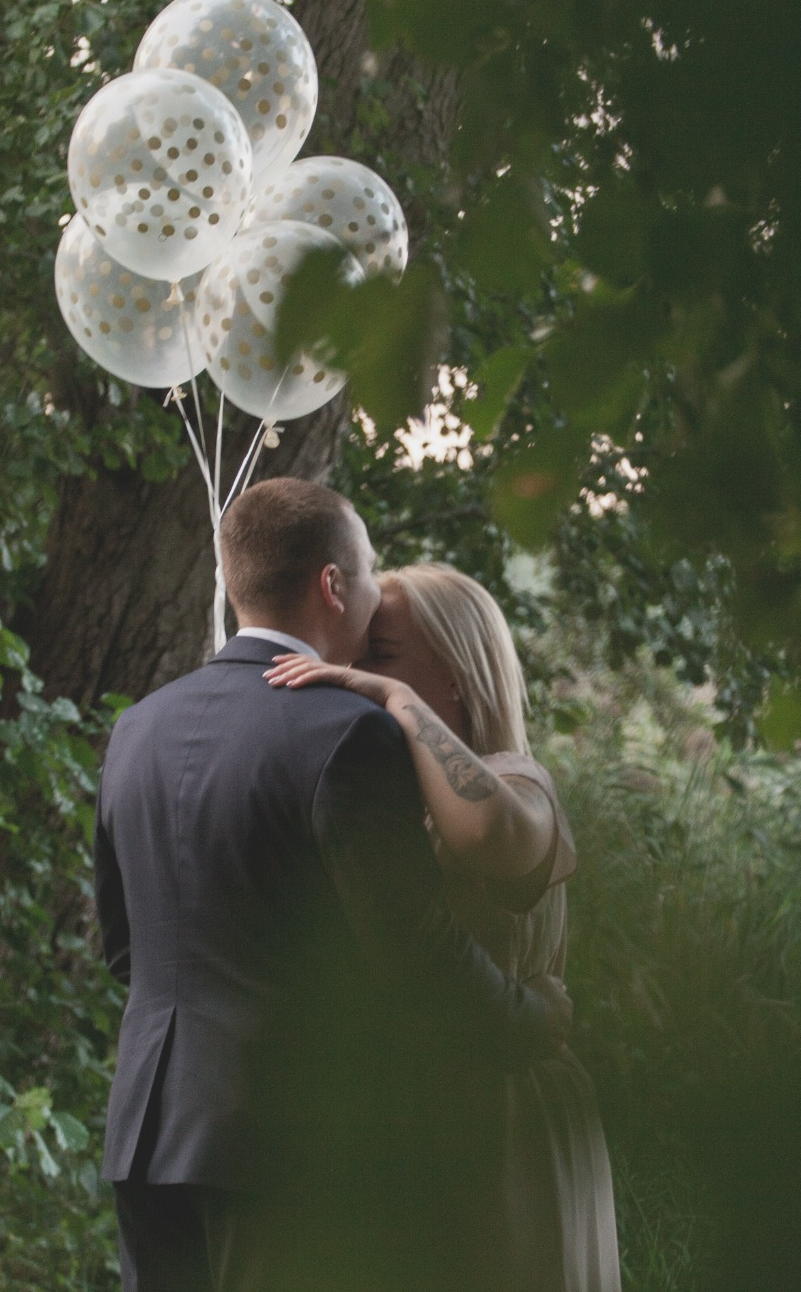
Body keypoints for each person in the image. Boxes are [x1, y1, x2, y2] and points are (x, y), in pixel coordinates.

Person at [94, 478, 571, 1292]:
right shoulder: (350, 731)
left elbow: (124, 949)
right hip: (281, 1142)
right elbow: (415, 952)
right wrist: (533, 1020)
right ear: (331, 584)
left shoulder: (137, 726)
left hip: (145, 1131)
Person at [265, 563, 622, 1292]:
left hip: (502, 1114)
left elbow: (489, 831)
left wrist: (394, 699)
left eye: (381, 654)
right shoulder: (369, 804)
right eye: (354, 655)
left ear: (457, 674)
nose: (353, 672)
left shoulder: (518, 779)